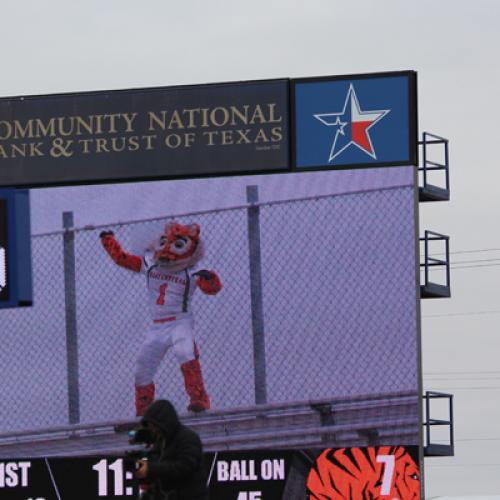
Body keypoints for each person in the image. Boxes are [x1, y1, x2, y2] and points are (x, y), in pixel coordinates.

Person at [99, 221, 222, 415]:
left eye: (178, 245)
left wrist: (211, 278)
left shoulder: (191, 272)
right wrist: (108, 240)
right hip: (157, 326)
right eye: (164, 242)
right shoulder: (149, 263)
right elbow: (122, 259)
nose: (167, 250)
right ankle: (144, 409)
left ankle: (199, 399)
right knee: (142, 367)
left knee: (185, 352)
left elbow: (212, 289)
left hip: (180, 322)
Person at [135, 399, 210, 500]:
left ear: (163, 423)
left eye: (154, 426)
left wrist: (150, 468)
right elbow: (156, 463)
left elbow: (183, 467)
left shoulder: (188, 438)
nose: (153, 430)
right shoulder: (161, 440)